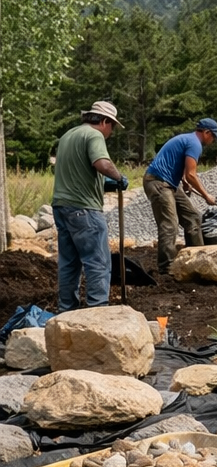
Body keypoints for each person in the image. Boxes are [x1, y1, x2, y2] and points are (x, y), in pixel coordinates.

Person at [51, 101, 130, 312]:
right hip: (84, 209)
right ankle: (98, 311)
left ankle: (66, 311)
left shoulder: (68, 135)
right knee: (98, 262)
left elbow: (76, 173)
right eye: (112, 127)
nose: (110, 132)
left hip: (61, 206)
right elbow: (102, 164)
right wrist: (118, 177)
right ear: (104, 121)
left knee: (69, 263)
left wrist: (105, 184)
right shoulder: (94, 136)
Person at [143, 118, 217, 274]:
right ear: (206, 132)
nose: (213, 140)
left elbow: (184, 172)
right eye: (213, 136)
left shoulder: (188, 140)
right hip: (158, 183)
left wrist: (185, 182)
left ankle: (197, 259)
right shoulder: (195, 144)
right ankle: (167, 268)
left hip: (169, 183)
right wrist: (207, 196)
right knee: (169, 225)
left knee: (193, 217)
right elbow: (192, 174)